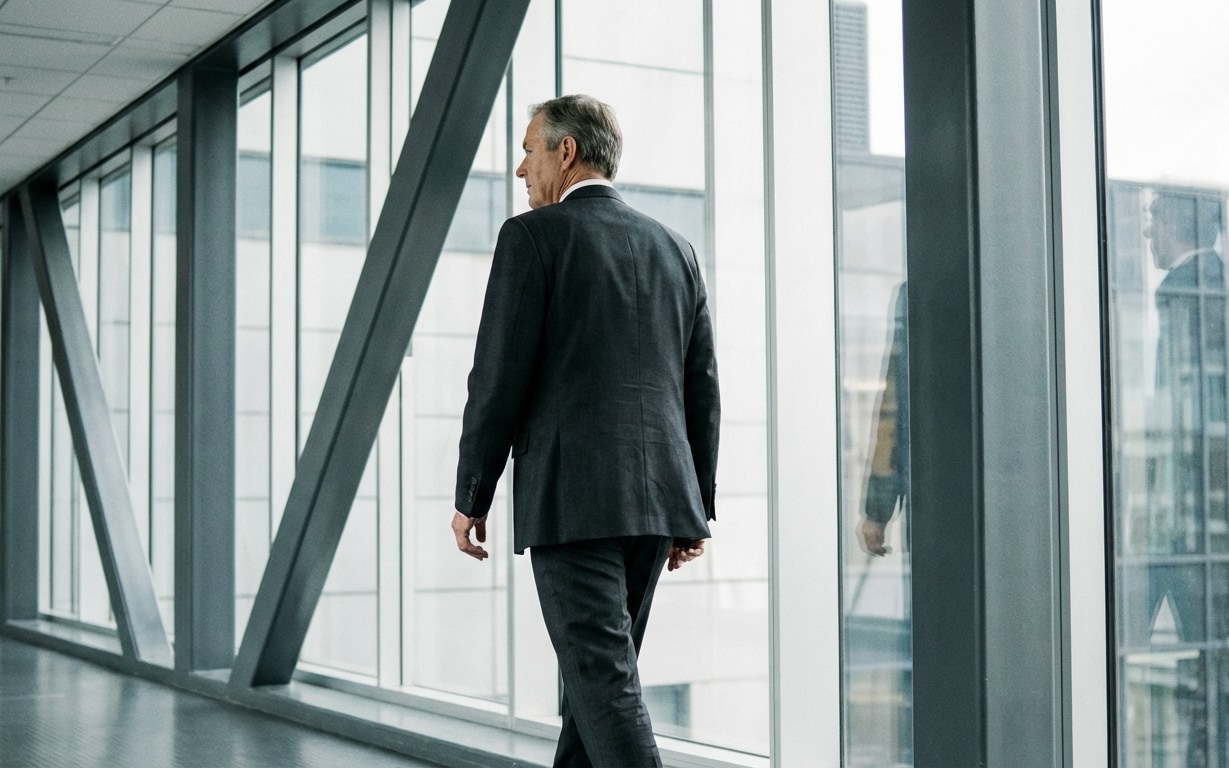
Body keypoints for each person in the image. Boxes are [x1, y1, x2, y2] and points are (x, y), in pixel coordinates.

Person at [450, 94, 720, 767]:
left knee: (602, 687)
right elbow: (701, 390)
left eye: (528, 150)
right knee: (593, 687)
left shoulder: (532, 238)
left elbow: (496, 378)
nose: (520, 170)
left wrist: (471, 494)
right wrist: (694, 510)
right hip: (655, 506)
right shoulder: (673, 248)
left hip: (574, 504)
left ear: (564, 152)